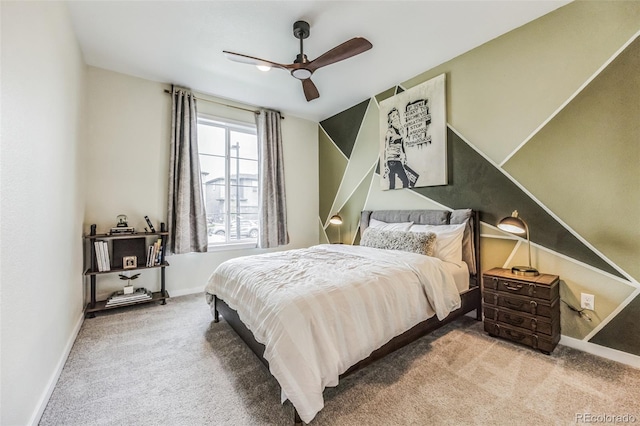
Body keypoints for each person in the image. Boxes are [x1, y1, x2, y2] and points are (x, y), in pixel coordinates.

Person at [383, 108, 410, 189]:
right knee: (398, 183)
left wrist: (405, 156)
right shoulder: (390, 132)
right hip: (392, 160)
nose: (396, 117)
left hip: (397, 160)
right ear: (390, 119)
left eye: (397, 115)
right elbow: (386, 148)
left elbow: (402, 145)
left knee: (395, 184)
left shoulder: (399, 131)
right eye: (393, 116)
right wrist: (385, 164)